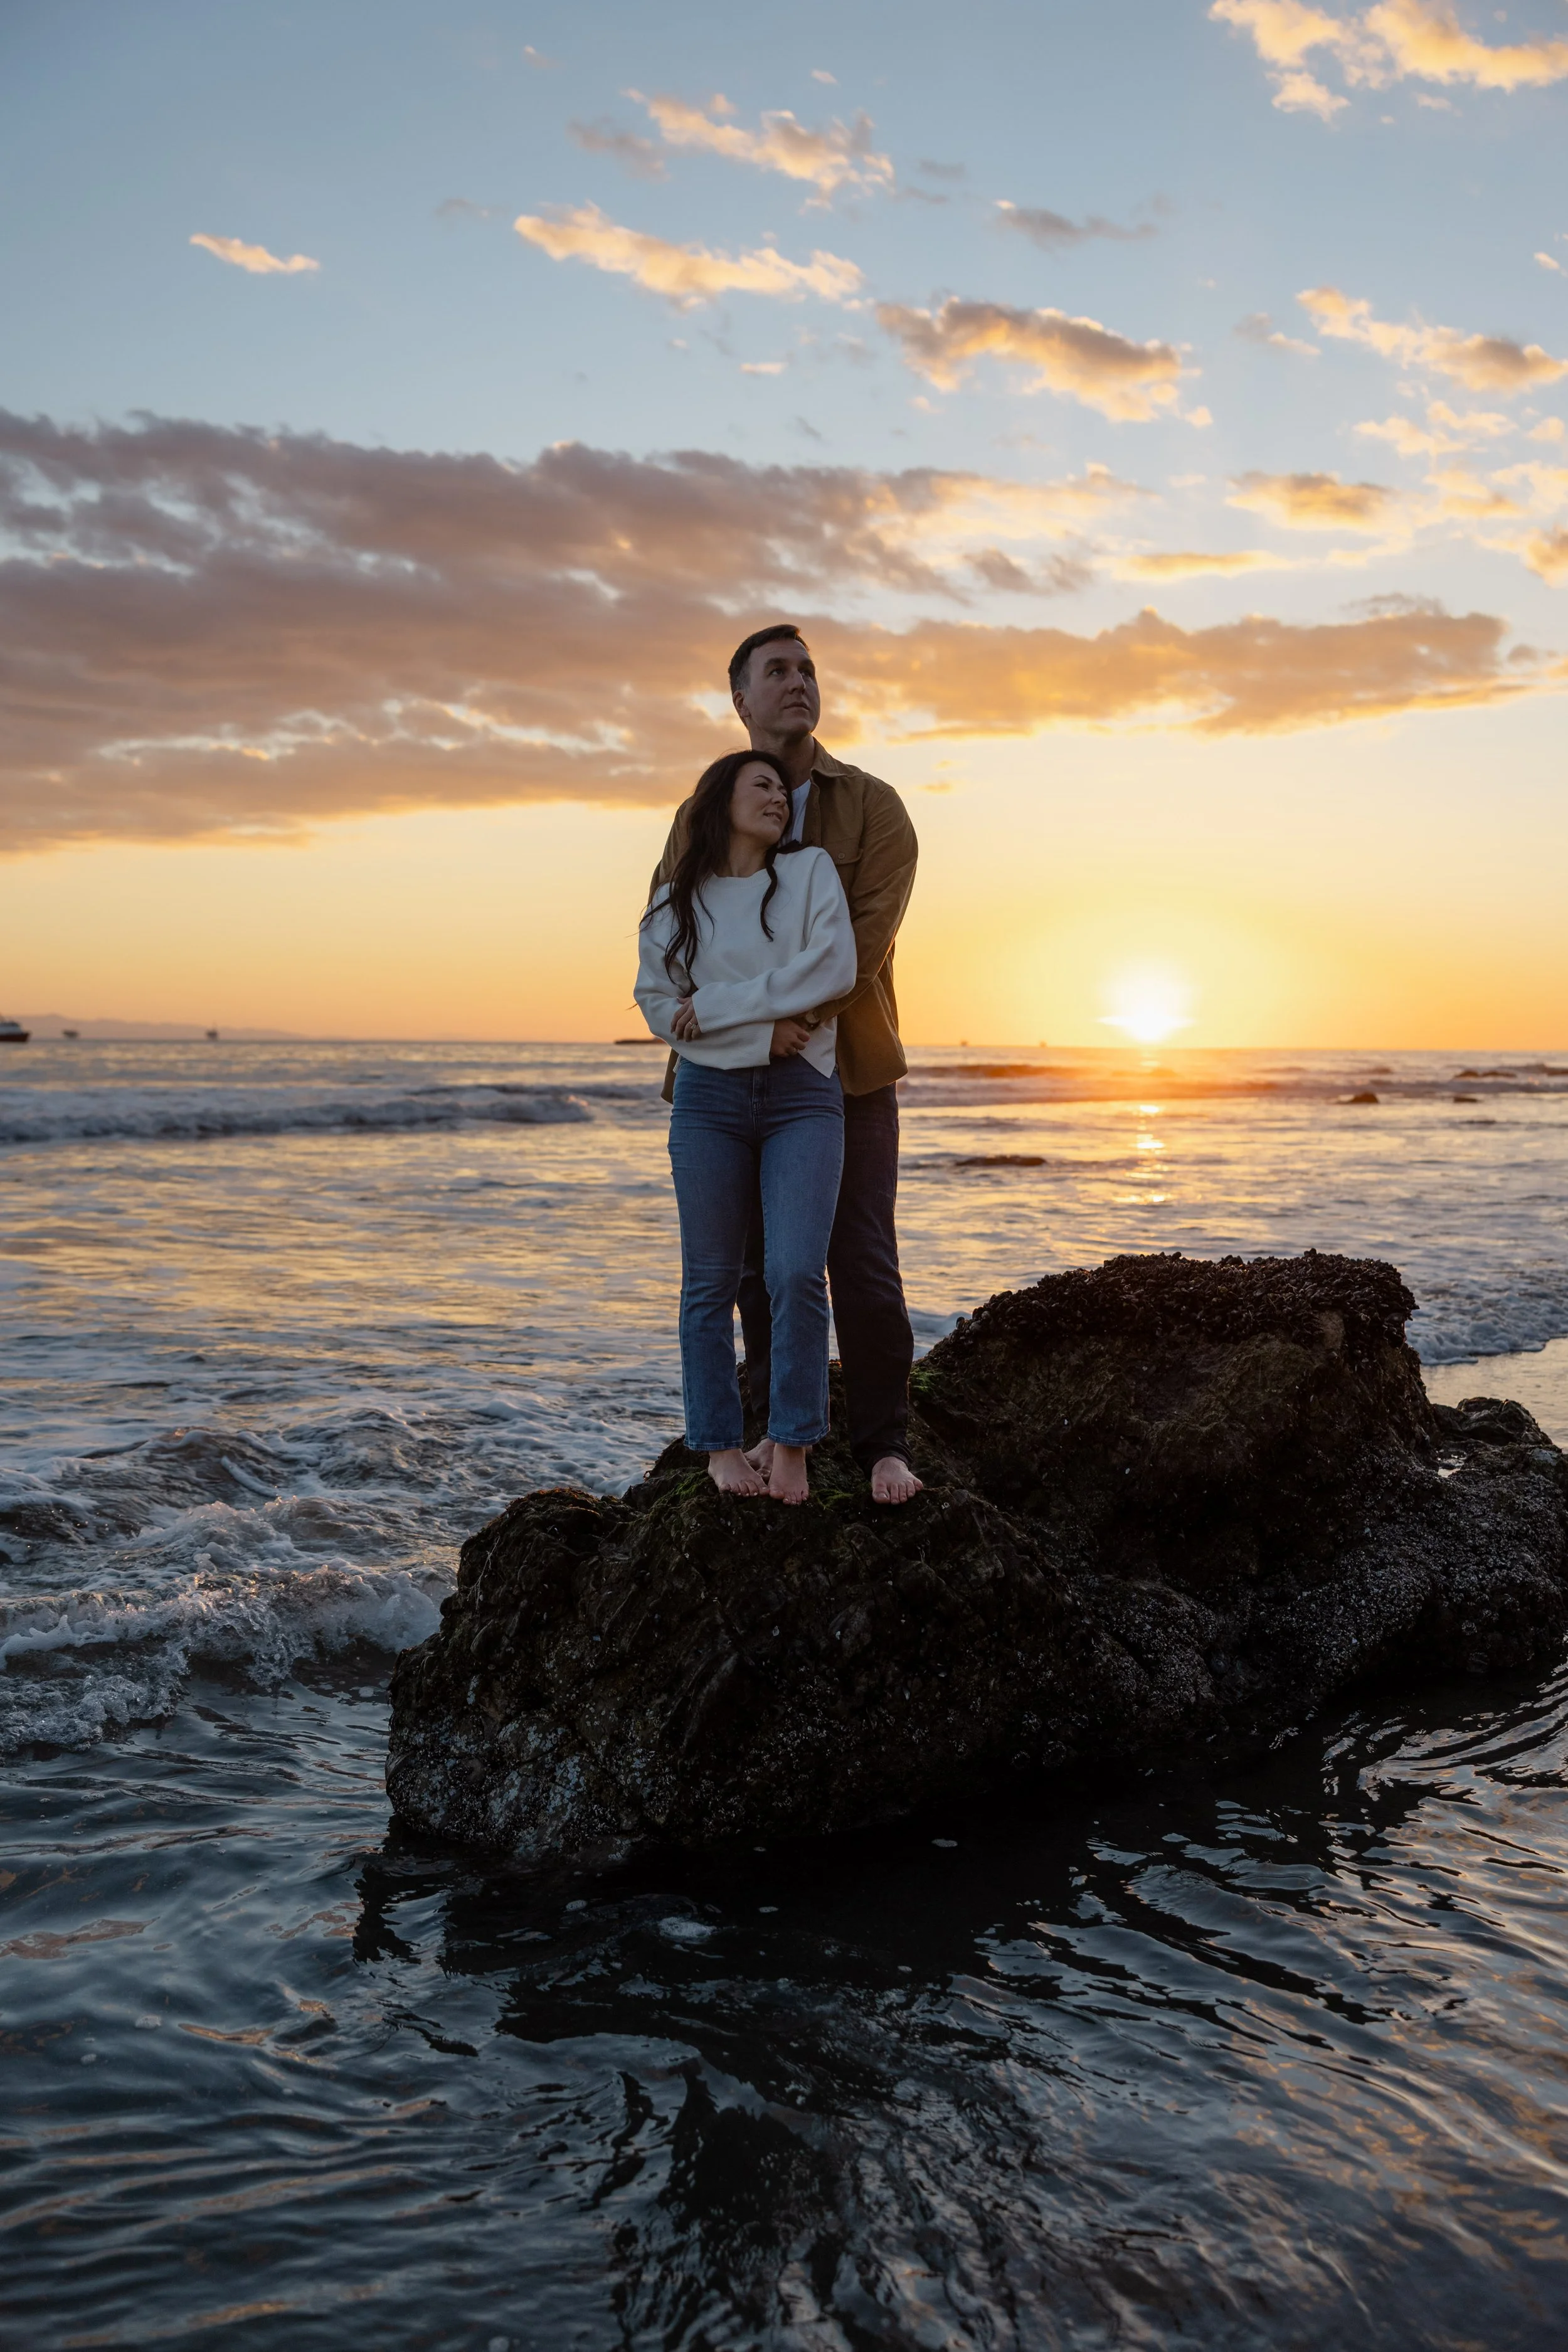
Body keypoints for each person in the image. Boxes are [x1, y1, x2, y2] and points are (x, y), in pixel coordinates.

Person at [654, 625, 923, 1505]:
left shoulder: (874, 808)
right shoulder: (701, 816)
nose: (799, 681)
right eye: (778, 671)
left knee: (859, 1259)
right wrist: (741, 1040)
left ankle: (885, 1442)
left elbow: (867, 941)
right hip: (726, 1079)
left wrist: (789, 1027)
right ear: (740, 699)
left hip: (843, 1072)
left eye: (808, 668)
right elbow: (673, 951)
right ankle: (774, 1430)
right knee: (746, 1273)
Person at [636, 748, 857, 1505]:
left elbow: (832, 970)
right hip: (708, 1102)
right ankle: (720, 1446)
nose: (776, 798)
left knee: (796, 1271)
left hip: (803, 1094)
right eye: (758, 785)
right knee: (710, 1283)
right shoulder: (674, 900)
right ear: (717, 800)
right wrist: (759, 1035)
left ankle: (793, 1442)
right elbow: (662, 1007)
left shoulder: (809, 873)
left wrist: (725, 1007)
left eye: (780, 789)